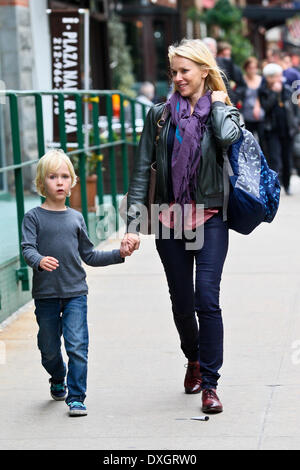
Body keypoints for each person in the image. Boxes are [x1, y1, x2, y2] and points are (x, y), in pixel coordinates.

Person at [121, 39, 241, 414]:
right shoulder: (159, 115)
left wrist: (219, 104)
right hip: (169, 220)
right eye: (173, 72)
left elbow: (226, 139)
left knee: (207, 297)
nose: (177, 79)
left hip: (210, 217)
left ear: (204, 71)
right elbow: (143, 169)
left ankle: (210, 382)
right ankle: (193, 357)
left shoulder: (225, 111)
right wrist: (132, 224)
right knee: (181, 302)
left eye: (184, 71)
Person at [21, 150, 131, 416]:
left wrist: (119, 254)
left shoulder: (76, 218)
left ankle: (77, 396)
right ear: (41, 183)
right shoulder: (33, 217)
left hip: (75, 294)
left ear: (72, 183)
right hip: (46, 295)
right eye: (52, 177)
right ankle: (57, 375)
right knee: (48, 348)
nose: (59, 181)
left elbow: (89, 255)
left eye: (64, 176)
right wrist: (38, 260)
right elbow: (27, 249)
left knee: (77, 345)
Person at [258, 63, 298, 195]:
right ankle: (276, 185)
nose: (281, 78)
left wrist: (296, 123)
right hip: (272, 130)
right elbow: (266, 107)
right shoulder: (263, 90)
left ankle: (287, 184)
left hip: (287, 129)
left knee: (288, 158)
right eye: (278, 76)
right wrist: (274, 93)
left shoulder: (287, 89)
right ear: (270, 78)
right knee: (274, 159)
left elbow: (294, 107)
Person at [241, 57, 265, 149]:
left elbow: (262, 95)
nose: (252, 70)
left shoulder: (260, 80)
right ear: (246, 68)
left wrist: (257, 106)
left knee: (262, 138)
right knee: (249, 139)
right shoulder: (242, 80)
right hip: (247, 112)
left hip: (259, 112)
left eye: (254, 68)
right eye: (250, 68)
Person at [216, 41, 247, 107]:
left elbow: (242, 86)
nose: (227, 58)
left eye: (228, 55)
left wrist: (234, 96)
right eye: (224, 55)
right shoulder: (214, 70)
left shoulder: (235, 69)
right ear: (218, 55)